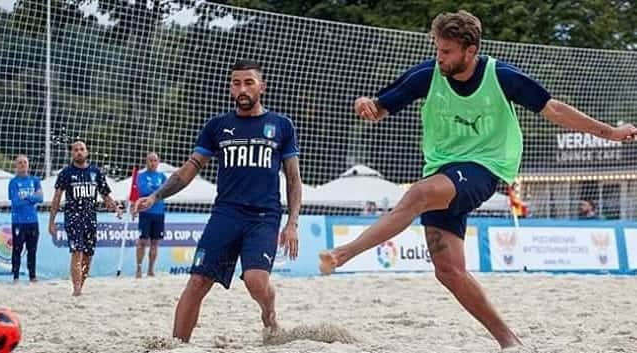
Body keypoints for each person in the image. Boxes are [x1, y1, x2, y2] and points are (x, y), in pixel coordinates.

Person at [318, 10, 637, 351]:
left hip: (486, 167)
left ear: (469, 51)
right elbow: (378, 108)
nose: (438, 57)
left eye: (446, 51)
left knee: (419, 193)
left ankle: (343, 254)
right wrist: (365, 105)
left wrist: (611, 132)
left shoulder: (501, 76)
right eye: (437, 49)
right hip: (443, 170)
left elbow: (555, 110)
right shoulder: (428, 74)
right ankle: (509, 340)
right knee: (449, 272)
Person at [135, 60, 302, 342]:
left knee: (256, 281)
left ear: (262, 87)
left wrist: (292, 223)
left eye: (249, 82)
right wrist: (156, 195)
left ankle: (269, 313)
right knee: (198, 281)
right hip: (226, 214)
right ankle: (177, 345)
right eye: (236, 83)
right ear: (230, 89)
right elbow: (188, 170)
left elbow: (294, 179)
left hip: (264, 216)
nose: (242, 88)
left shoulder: (281, 126)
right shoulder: (217, 126)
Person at [48, 140, 122, 296]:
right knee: (77, 251)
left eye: (82, 149)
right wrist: (51, 222)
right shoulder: (66, 173)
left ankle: (81, 285)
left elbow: (105, 195)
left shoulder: (96, 172)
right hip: (73, 218)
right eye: (75, 150)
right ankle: (76, 289)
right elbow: (56, 198)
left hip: (90, 218)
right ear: (71, 154)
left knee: (88, 255)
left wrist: (115, 208)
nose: (79, 152)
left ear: (87, 152)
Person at [8, 154, 43, 283]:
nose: (22, 165)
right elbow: (16, 202)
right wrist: (32, 197)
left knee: (32, 249)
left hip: (33, 221)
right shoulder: (13, 182)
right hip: (18, 221)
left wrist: (26, 198)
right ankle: (15, 276)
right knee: (17, 249)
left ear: (28, 165)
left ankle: (32, 276)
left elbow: (41, 198)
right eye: (20, 163)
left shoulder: (35, 180)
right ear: (16, 166)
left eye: (25, 162)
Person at [135, 152, 168, 278]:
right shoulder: (141, 176)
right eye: (150, 160)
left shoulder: (162, 176)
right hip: (146, 213)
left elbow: (166, 191)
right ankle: (138, 268)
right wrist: (157, 191)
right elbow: (144, 191)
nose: (153, 163)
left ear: (158, 162)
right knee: (142, 241)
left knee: (155, 243)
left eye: (155, 160)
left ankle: (150, 269)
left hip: (159, 213)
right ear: (146, 162)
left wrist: (156, 191)